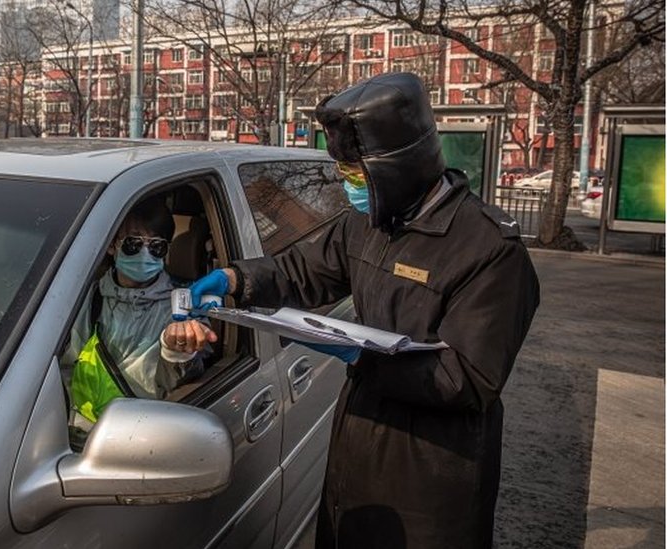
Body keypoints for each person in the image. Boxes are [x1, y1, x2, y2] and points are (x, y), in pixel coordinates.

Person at [186, 72, 540, 548]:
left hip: (431, 475)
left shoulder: (489, 250)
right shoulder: (369, 223)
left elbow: (468, 378)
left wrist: (355, 353)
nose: (347, 185)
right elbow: (303, 270)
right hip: (358, 445)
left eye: (355, 174)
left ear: (399, 165)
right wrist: (235, 279)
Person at [0, 196, 216, 431]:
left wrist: (179, 349)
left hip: (137, 437)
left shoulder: (185, 308)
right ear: (112, 246)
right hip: (63, 430)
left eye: (156, 246)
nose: (145, 254)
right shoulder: (77, 295)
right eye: (134, 244)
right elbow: (35, 337)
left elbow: (185, 388)